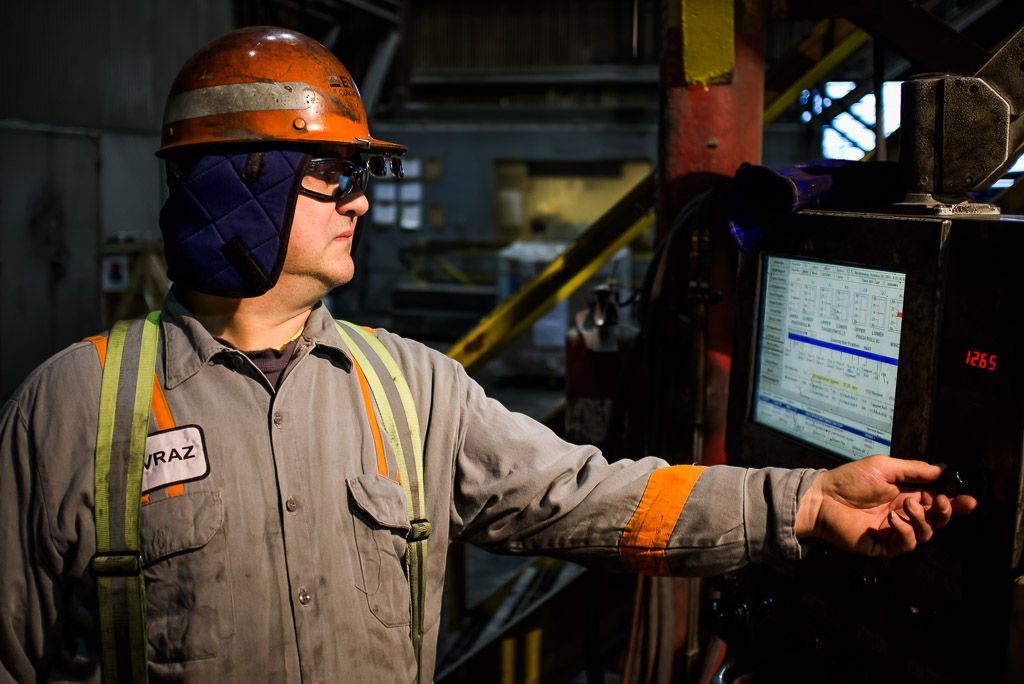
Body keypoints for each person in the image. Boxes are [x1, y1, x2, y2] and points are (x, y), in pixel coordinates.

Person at [0, 26, 976, 684]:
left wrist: (804, 503)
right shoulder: (73, 408)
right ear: (232, 187)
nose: (361, 201)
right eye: (331, 173)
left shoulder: (410, 391)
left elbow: (594, 498)